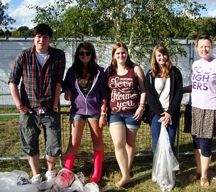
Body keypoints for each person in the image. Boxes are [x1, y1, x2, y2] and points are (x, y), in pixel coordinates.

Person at [8, 23, 66, 184]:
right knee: (29, 141)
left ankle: (49, 172)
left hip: (50, 107)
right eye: (39, 36)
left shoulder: (58, 55)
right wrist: (19, 104)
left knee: (53, 142)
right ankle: (35, 174)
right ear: (34, 37)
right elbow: (13, 81)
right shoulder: (24, 56)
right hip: (29, 109)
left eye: (45, 36)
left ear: (50, 39)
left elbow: (58, 82)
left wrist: (55, 103)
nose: (41, 39)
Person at [55, 42, 107, 187]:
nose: (84, 56)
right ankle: (66, 172)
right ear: (77, 55)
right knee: (73, 143)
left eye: (88, 53)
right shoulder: (72, 71)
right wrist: (67, 90)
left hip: (95, 112)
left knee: (97, 142)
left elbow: (104, 94)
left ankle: (97, 173)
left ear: (92, 55)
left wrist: (103, 113)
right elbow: (65, 84)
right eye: (81, 53)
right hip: (77, 111)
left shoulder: (100, 72)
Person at [188, 35, 216, 188]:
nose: (204, 49)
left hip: (209, 109)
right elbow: (195, 85)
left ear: (211, 47)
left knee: (205, 144)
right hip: (194, 108)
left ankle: (205, 176)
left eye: (207, 46)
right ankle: (199, 170)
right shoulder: (196, 64)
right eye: (201, 46)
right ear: (196, 47)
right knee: (196, 144)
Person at [106, 42, 146, 188]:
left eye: (123, 52)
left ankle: (126, 171)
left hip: (132, 113)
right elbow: (105, 92)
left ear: (127, 53)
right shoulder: (109, 71)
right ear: (114, 56)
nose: (121, 55)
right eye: (118, 53)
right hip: (115, 113)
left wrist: (141, 107)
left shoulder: (135, 69)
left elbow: (143, 90)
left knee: (130, 144)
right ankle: (125, 176)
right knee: (118, 143)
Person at [145, 44, 183, 153]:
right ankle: (158, 169)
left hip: (172, 114)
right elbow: (150, 97)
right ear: (155, 57)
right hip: (156, 114)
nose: (162, 57)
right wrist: (162, 114)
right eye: (159, 55)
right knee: (157, 145)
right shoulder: (150, 75)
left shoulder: (175, 73)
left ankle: (168, 170)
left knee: (169, 145)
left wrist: (169, 113)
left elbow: (178, 93)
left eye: (164, 54)